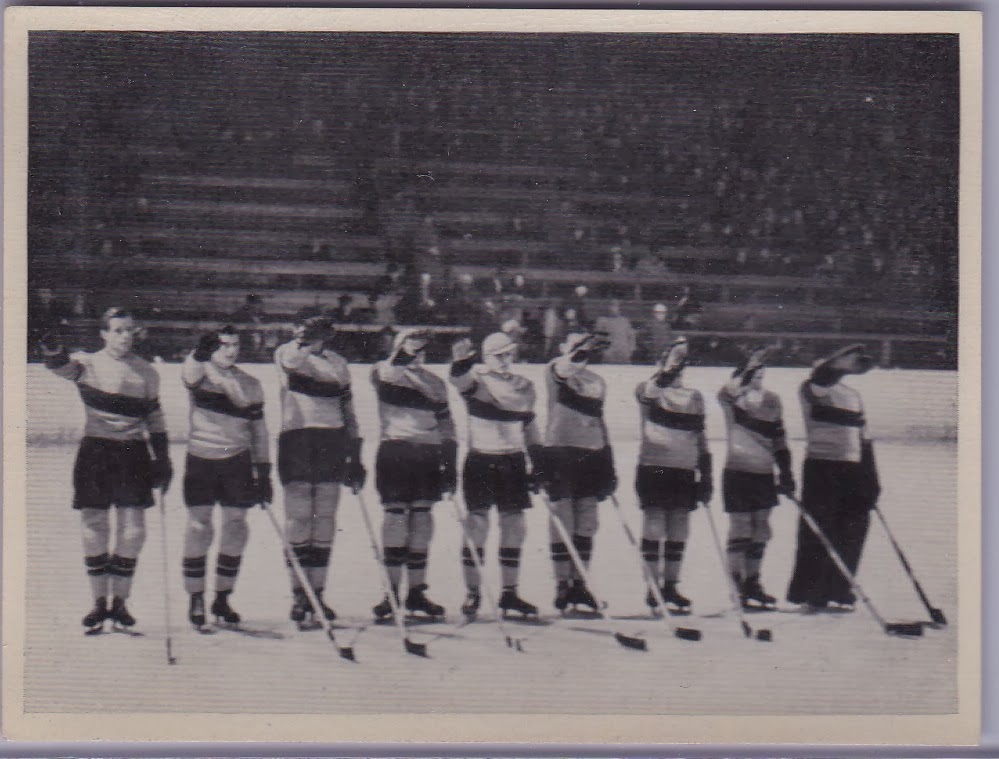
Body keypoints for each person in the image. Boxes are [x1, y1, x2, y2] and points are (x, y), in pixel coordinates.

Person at [40, 307, 172, 632]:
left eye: (129, 330)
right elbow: (60, 366)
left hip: (133, 454)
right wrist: (51, 347)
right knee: (95, 525)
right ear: (104, 334)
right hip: (96, 451)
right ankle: (99, 603)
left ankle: (121, 603)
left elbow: (155, 418)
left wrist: (163, 459)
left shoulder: (147, 373)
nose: (124, 336)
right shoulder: (88, 364)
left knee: (133, 532)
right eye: (117, 330)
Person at [274, 315, 367, 628]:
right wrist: (303, 342)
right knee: (299, 517)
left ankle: (317, 591)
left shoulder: (338, 363)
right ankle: (298, 593)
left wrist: (356, 455)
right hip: (298, 438)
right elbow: (290, 363)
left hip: (332, 439)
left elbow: (348, 410)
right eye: (303, 332)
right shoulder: (287, 352)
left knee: (325, 519)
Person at [180, 327, 272, 630]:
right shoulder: (200, 373)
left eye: (235, 345)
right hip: (201, 459)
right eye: (224, 345)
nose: (231, 351)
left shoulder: (251, 384)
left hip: (238, 461)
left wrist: (264, 472)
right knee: (199, 526)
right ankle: (195, 597)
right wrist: (198, 352)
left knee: (235, 526)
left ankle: (222, 596)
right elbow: (189, 373)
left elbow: (259, 431)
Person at [449, 332, 544, 619]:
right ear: (486, 357)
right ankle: (473, 593)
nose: (505, 360)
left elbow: (530, 426)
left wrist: (537, 463)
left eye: (509, 355)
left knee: (514, 526)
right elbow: (458, 380)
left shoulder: (525, 386)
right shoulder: (476, 381)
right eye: (498, 355)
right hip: (481, 457)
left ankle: (510, 593)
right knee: (477, 525)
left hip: (513, 459)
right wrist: (460, 361)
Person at [370, 328, 456, 621]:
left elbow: (447, 425)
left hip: (428, 454)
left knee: (422, 519)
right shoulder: (385, 371)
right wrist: (406, 349)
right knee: (395, 518)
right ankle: (391, 592)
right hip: (396, 450)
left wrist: (450, 462)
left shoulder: (435, 382)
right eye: (412, 347)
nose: (418, 352)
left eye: (422, 348)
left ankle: (416, 591)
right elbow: (393, 368)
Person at [786, 344, 880, 611]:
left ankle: (840, 589)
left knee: (853, 528)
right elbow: (820, 382)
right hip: (822, 466)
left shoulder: (853, 395)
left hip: (853, 467)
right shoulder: (811, 388)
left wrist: (871, 477)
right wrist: (837, 361)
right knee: (818, 530)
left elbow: (865, 438)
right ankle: (811, 591)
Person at [634, 337, 712, 614]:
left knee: (679, 526)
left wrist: (707, 472)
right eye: (672, 364)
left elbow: (701, 437)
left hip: (685, 469)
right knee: (655, 524)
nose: (678, 370)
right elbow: (652, 389)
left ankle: (671, 585)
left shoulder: (695, 397)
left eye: (681, 366)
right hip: (654, 466)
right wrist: (667, 370)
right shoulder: (649, 389)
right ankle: (652, 586)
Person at [717, 347, 795, 610]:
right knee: (741, 528)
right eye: (753, 377)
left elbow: (779, 438)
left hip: (764, 473)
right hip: (737, 472)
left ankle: (753, 582)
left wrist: (786, 471)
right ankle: (735, 584)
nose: (758, 382)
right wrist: (748, 369)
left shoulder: (773, 400)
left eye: (762, 377)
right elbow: (726, 392)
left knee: (761, 529)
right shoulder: (732, 401)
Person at [543, 332, 616, 613]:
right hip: (561, 452)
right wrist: (580, 351)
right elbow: (566, 367)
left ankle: (580, 583)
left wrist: (607, 458)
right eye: (575, 348)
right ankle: (562, 584)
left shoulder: (597, 381)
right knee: (563, 519)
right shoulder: (555, 370)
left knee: (586, 522)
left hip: (591, 454)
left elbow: (600, 419)